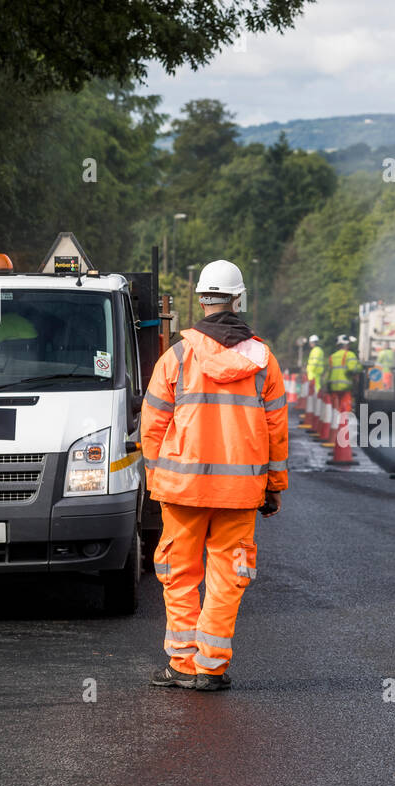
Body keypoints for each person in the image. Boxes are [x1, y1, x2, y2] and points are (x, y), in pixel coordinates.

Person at [143, 259, 288, 692]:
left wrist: (159, 480)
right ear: (238, 299)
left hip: (182, 490)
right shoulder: (264, 361)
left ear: (201, 298)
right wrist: (274, 487)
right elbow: (276, 430)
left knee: (180, 574)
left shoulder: (177, 357)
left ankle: (182, 664)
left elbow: (151, 426)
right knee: (228, 577)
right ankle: (210, 668)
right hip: (239, 493)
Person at [325, 334, 362, 415]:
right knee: (345, 409)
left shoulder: (332, 357)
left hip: (333, 387)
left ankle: (335, 425)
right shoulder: (349, 354)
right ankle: (344, 425)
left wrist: (326, 387)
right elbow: (353, 368)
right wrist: (360, 367)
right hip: (345, 388)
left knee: (335, 409)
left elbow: (328, 374)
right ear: (347, 345)